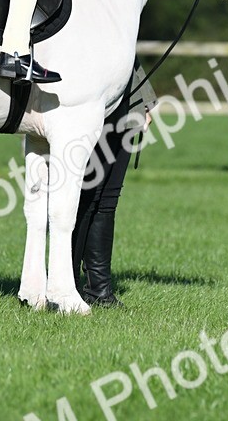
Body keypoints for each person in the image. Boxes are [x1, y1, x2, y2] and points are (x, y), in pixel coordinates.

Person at [72, 60, 158, 306]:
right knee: (86, 198)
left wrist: (144, 98)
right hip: (94, 99)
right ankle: (68, 286)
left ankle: (99, 289)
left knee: (107, 200)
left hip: (129, 101)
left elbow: (127, 48)